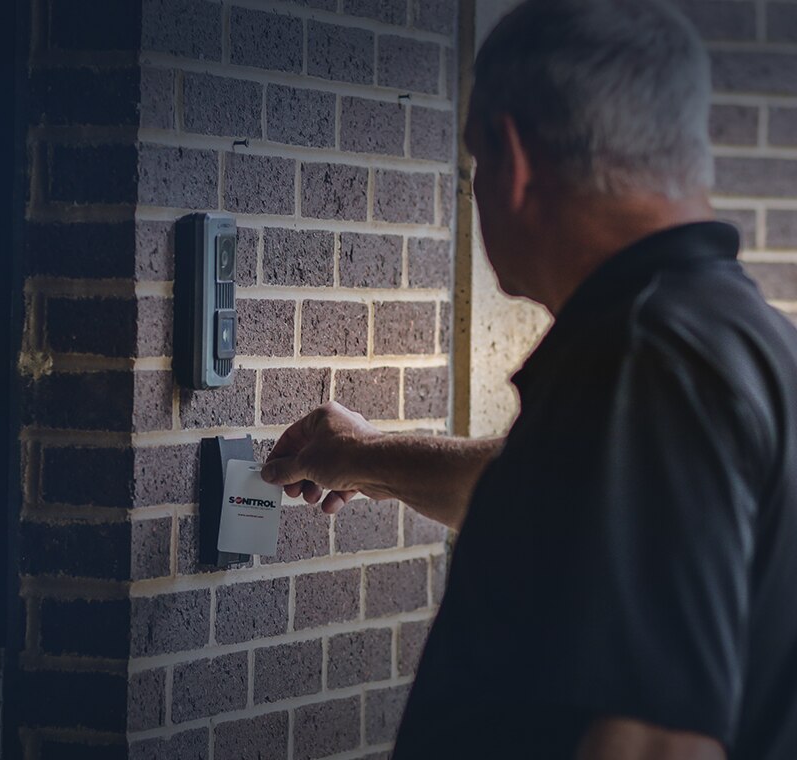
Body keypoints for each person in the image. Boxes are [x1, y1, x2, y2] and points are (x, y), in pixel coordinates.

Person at [260, 1, 797, 758]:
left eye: (473, 162)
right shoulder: (745, 342)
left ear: (510, 162)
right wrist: (364, 457)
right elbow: (558, 505)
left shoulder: (649, 363)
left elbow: (652, 744)